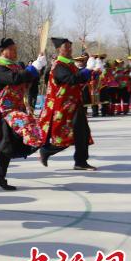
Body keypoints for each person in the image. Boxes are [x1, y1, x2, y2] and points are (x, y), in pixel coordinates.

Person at [0, 38, 46, 190]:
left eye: (16, 49)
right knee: (29, 130)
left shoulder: (14, 67)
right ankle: (46, 150)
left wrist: (38, 68)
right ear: (3, 52)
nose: (15, 52)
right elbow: (15, 79)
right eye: (12, 49)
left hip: (16, 111)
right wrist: (33, 67)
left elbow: (26, 81)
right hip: (5, 113)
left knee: (7, 147)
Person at [39, 38, 97, 171]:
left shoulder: (70, 65)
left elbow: (80, 80)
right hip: (63, 107)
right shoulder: (58, 65)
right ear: (59, 49)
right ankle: (47, 150)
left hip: (75, 104)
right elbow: (71, 80)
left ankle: (81, 162)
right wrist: (87, 69)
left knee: (83, 133)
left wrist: (94, 69)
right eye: (67, 47)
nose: (70, 49)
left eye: (70, 47)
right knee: (64, 135)